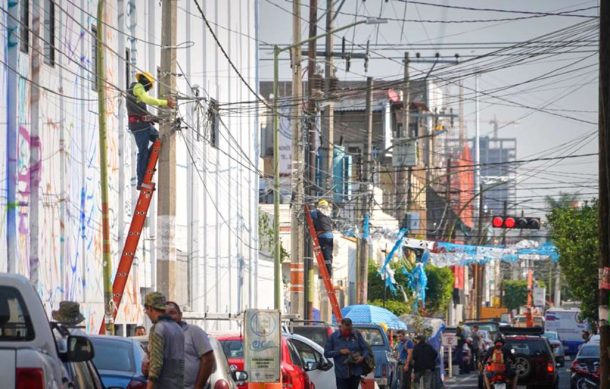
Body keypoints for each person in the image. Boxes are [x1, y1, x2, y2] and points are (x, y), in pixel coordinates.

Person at [126, 71, 176, 189]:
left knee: (159, 139)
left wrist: (155, 118)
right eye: (149, 86)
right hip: (139, 127)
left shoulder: (136, 93)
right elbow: (147, 99)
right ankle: (141, 181)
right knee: (142, 152)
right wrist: (165, 102)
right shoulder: (137, 87)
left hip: (145, 126)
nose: (148, 89)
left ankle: (148, 160)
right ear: (146, 82)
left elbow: (142, 110)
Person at [166, 301, 216, 389]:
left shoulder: (194, 332)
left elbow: (208, 359)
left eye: (172, 313)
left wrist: (198, 387)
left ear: (180, 315)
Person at [142, 292, 185, 389]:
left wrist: (149, 387)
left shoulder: (158, 329)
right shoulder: (178, 328)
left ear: (150, 308)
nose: (147, 314)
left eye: (147, 310)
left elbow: (156, 364)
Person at [324, 318, 371, 389]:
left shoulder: (357, 335)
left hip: (355, 373)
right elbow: (326, 353)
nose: (347, 332)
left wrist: (362, 357)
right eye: (345, 329)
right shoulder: (333, 337)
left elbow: (365, 349)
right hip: (341, 374)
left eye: (349, 329)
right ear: (341, 326)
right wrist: (339, 352)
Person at [311, 199, 334, 277]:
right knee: (328, 255)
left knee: (325, 255)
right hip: (329, 236)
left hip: (323, 237)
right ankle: (327, 272)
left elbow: (309, 213)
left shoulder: (317, 212)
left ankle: (327, 273)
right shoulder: (328, 214)